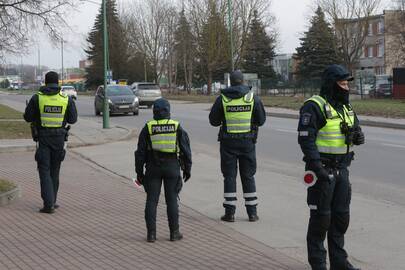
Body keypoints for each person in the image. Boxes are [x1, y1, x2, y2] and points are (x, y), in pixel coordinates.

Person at [297, 64, 365, 270]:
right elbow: (306, 140)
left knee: (341, 217)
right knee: (321, 219)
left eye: (347, 84)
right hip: (322, 170)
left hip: (342, 169)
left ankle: (339, 262)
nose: (346, 87)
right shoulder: (314, 105)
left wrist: (359, 136)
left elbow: (355, 128)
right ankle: (318, 263)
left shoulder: (346, 107)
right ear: (331, 84)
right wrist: (318, 168)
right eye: (342, 83)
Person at [209, 70, 266, 222]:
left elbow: (213, 121)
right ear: (242, 81)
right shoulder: (252, 98)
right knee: (248, 176)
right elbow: (261, 121)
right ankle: (252, 213)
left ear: (231, 82)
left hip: (228, 143)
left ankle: (229, 214)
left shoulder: (223, 99)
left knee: (229, 177)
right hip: (247, 143)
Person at [135, 98, 192, 242]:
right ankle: (174, 233)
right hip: (172, 167)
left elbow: (140, 153)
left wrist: (139, 173)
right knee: (172, 200)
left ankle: (151, 235)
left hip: (153, 168)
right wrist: (187, 169)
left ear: (154, 111)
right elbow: (186, 151)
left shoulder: (148, 127)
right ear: (168, 111)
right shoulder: (176, 126)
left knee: (152, 201)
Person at [24, 71, 77, 214]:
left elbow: (28, 118)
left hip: (43, 138)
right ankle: (52, 200)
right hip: (60, 138)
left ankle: (49, 205)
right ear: (58, 82)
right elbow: (73, 120)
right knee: (55, 170)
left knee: (44, 170)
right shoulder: (66, 99)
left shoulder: (37, 98)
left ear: (45, 82)